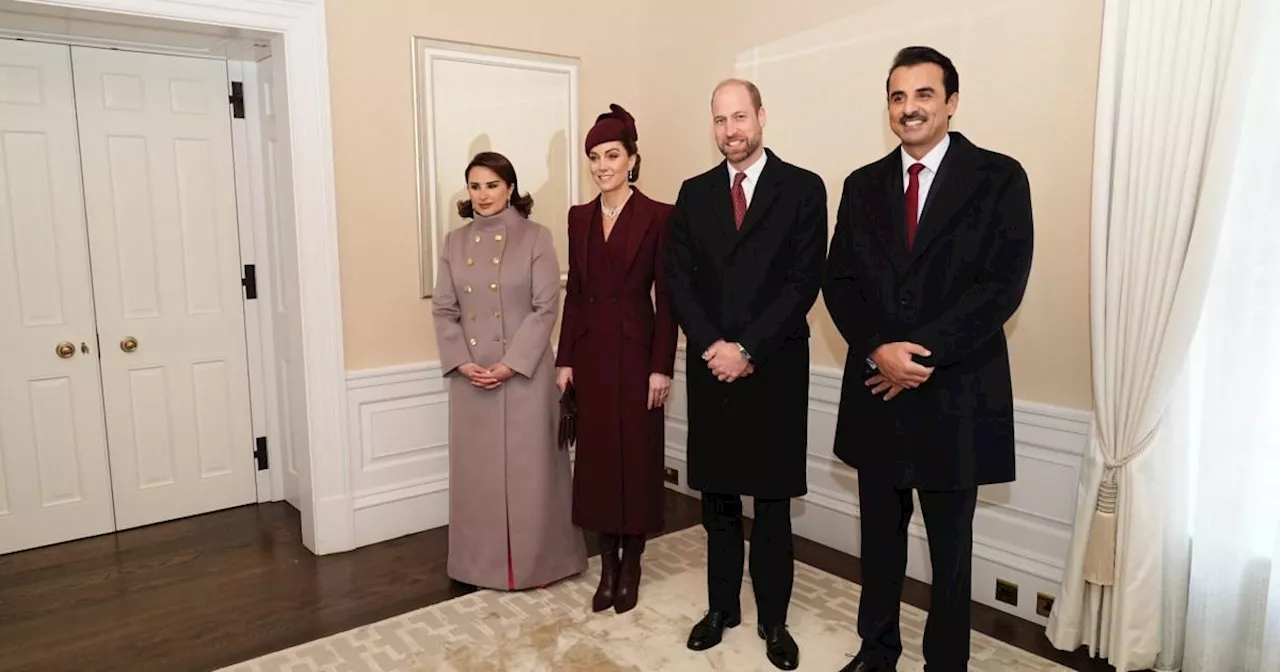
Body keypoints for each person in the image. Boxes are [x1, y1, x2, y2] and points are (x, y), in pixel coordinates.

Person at [822, 46, 1034, 672]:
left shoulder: (998, 177)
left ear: (951, 103)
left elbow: (1002, 285)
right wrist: (878, 351)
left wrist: (920, 355)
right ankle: (876, 649)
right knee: (880, 542)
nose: (909, 108)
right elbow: (841, 282)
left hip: (955, 395)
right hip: (877, 391)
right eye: (897, 96)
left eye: (923, 95)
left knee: (951, 549)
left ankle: (946, 662)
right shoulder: (861, 185)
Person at [664, 78, 826, 671]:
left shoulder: (803, 188)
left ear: (761, 116)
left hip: (775, 368)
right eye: (719, 120)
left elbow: (802, 281)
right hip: (712, 370)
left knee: (774, 504)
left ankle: (775, 621)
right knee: (719, 501)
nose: (730, 130)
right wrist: (713, 345)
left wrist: (748, 348)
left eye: (740, 117)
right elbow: (677, 278)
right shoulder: (694, 192)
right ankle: (720, 609)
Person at [430, 151, 587, 591]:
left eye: (492, 185)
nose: (483, 195)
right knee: (477, 478)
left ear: (511, 188)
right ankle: (477, 565)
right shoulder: (452, 243)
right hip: (471, 378)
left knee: (533, 474)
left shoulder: (537, 237)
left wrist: (509, 364)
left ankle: (543, 563)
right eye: (475, 186)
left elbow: (545, 308)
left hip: (525, 375)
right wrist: (463, 361)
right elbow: (444, 310)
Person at [555, 104, 679, 615]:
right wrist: (564, 359)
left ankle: (633, 563)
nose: (601, 165)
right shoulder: (578, 217)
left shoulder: (660, 216)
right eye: (593, 157)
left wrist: (662, 366)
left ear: (632, 159)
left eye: (611, 155)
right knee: (600, 464)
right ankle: (607, 565)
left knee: (637, 460)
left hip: (637, 354)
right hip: (590, 355)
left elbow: (668, 298)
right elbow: (575, 294)